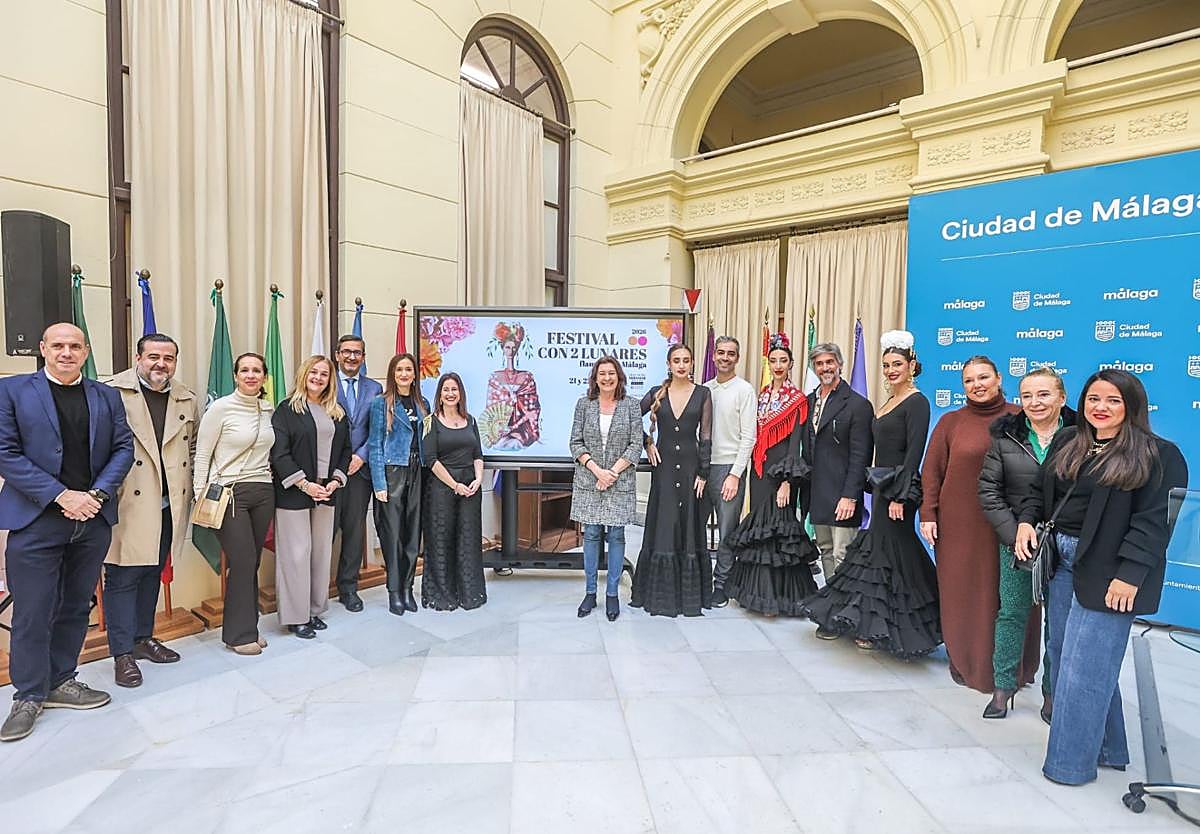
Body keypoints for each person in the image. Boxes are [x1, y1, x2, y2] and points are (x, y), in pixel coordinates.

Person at [1015, 369, 1187, 786]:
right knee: (1066, 653)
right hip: (1062, 562)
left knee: (1083, 668)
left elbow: (1153, 524)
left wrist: (1130, 576)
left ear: (1132, 405)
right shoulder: (1069, 441)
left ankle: (1068, 767)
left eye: (1112, 400)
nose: (1100, 408)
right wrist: (1026, 521)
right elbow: (1040, 492)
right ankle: (1110, 748)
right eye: (1093, 399)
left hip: (1113, 571)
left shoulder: (1159, 454)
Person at [0, 323, 133, 742]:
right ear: (42, 349)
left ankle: (61, 680)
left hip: (92, 519)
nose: (66, 352)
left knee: (76, 606)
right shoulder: (13, 391)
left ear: (86, 351)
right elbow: (6, 452)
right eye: (57, 345)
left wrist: (95, 493)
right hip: (36, 520)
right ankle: (28, 695)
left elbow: (123, 448)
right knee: (33, 611)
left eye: (75, 346)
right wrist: (62, 496)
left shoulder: (106, 395)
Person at [802, 331, 940, 657]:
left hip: (897, 494)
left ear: (911, 365)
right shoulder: (887, 401)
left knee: (897, 558)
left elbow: (913, 455)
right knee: (880, 558)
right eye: (886, 365)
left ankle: (904, 628)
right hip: (881, 491)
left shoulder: (917, 402)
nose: (891, 370)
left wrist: (900, 497)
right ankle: (873, 625)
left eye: (897, 364)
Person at [921, 356, 1036, 692]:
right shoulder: (951, 422)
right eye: (969, 380)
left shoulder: (1020, 417)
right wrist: (928, 513)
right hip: (959, 525)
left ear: (999, 378)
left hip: (1011, 524)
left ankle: (1010, 668)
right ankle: (968, 663)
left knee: (1008, 597)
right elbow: (932, 472)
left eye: (983, 377)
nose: (977, 385)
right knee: (963, 594)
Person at [977, 368, 1073, 720]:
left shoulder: (1081, 436)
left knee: (1058, 622)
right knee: (1012, 614)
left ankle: (1052, 694)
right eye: (1028, 395)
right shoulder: (1006, 438)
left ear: (1061, 397)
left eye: (1044, 394)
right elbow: (988, 492)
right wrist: (1014, 531)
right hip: (1017, 542)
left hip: (1067, 544)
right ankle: (1002, 690)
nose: (1035, 402)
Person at [103, 333, 198, 688]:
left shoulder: (185, 397)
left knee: (152, 574)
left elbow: (191, 447)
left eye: (169, 358)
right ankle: (122, 654)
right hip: (128, 501)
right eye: (154, 356)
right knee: (123, 578)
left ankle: (143, 638)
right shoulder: (111, 392)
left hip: (168, 502)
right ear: (138, 357)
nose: (161, 364)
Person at [723, 333, 818, 615]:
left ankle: (778, 598)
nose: (778, 365)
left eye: (783, 360)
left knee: (780, 532)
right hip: (759, 472)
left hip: (782, 474)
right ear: (769, 362)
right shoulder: (761, 395)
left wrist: (788, 482)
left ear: (791, 364)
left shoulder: (798, 399)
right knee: (760, 530)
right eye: (773, 360)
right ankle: (756, 594)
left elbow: (795, 443)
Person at [193, 352, 275, 656]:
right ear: (236, 376)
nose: (251, 375)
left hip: (264, 491)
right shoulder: (221, 408)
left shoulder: (266, 409)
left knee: (251, 562)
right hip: (229, 493)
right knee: (241, 561)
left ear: (264, 377)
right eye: (245, 370)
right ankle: (238, 635)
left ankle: (249, 626)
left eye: (257, 370)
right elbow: (202, 454)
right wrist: (201, 492)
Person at [270, 356, 351, 639]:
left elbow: (345, 451)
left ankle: (315, 610)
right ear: (304, 374)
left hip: (327, 492)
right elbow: (279, 453)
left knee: (320, 553)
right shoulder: (286, 410)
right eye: (313, 372)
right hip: (295, 492)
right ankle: (296, 617)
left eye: (324, 374)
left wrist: (336, 480)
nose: (318, 378)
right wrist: (304, 484)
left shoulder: (336, 411)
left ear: (331, 379)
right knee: (296, 555)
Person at [631, 343, 713, 617]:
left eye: (686, 360)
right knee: (665, 524)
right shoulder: (657, 393)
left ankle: (688, 596)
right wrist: (647, 442)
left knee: (688, 524)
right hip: (664, 469)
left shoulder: (703, 393)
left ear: (691, 364)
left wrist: (703, 472)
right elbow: (631, 417)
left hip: (691, 469)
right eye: (676, 360)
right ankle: (660, 596)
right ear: (669, 364)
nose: (681, 365)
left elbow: (706, 436)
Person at [568, 356, 644, 621]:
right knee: (590, 536)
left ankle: (612, 594)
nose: (607, 378)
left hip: (619, 480)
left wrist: (612, 473)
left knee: (616, 537)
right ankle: (590, 593)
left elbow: (636, 445)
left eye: (612, 373)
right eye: (602, 374)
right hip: (590, 480)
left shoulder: (632, 406)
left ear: (619, 376)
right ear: (595, 377)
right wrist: (597, 471)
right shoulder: (584, 405)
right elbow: (575, 443)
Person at [804, 342, 873, 582]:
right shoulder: (809, 401)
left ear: (840, 365)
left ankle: (845, 611)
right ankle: (830, 607)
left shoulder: (858, 405)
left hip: (843, 495)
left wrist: (850, 496)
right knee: (825, 551)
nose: (825, 368)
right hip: (818, 493)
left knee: (843, 554)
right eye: (820, 363)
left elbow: (860, 456)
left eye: (829, 362)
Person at [368, 353, 430, 616]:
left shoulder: (422, 403)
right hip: (393, 471)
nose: (404, 374)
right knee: (392, 535)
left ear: (415, 374)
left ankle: (407, 587)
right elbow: (374, 445)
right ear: (392, 374)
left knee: (412, 535)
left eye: (409, 369)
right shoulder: (381, 404)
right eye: (399, 370)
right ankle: (394, 590)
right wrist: (379, 483)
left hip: (418, 472)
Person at [422, 372, 486, 610]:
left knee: (468, 540)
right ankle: (443, 596)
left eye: (454, 389)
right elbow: (431, 460)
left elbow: (478, 454)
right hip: (442, 488)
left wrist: (478, 479)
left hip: (470, 487)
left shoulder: (470, 420)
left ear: (460, 394)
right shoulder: (431, 421)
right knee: (442, 540)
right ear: (439, 395)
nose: (450, 394)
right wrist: (454, 485)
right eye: (446, 390)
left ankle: (469, 594)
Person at [701, 336, 756, 607]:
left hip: (728, 469)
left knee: (726, 532)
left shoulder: (744, 391)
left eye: (730, 353)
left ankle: (721, 585)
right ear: (713, 356)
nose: (725, 357)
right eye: (720, 352)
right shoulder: (703, 389)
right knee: (695, 527)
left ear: (737, 357)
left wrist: (735, 474)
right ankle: (698, 580)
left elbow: (749, 437)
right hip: (702, 468)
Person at [331, 334, 382, 613]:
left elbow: (377, 429)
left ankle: (348, 588)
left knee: (353, 532)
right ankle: (314, 589)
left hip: (359, 473)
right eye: (347, 352)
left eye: (357, 353)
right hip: (327, 473)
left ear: (363, 357)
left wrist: (360, 457)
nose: (352, 357)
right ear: (337, 354)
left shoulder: (374, 389)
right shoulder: (324, 383)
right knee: (323, 533)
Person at [483, 321, 541, 450]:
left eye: (514, 347)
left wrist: (515, 426)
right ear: (502, 348)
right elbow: (491, 408)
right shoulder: (495, 377)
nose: (511, 350)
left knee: (517, 443)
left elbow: (533, 408)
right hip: (500, 432)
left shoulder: (527, 377)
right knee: (500, 443)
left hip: (522, 431)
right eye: (508, 347)